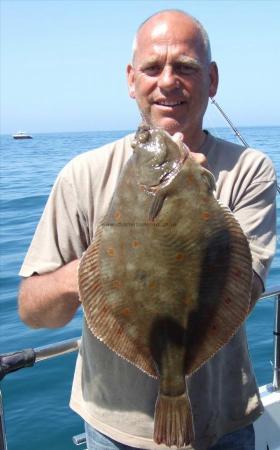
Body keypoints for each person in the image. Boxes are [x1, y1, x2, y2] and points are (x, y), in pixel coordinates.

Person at [18, 9, 276, 450]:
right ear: (131, 79)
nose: (168, 81)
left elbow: (244, 291)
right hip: (113, 430)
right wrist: (95, 272)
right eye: (153, 68)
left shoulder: (251, 170)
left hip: (223, 422)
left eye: (186, 67)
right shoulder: (83, 174)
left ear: (212, 81)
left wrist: (194, 203)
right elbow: (33, 312)